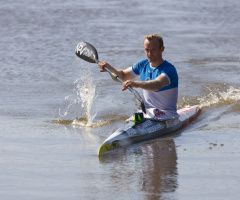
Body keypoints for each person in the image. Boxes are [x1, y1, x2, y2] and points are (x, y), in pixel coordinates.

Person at [98, 34, 179, 120]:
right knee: (129, 122)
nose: (149, 53)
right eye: (147, 50)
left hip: (167, 114)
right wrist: (110, 69)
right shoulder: (143, 64)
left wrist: (136, 84)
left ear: (162, 49)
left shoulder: (169, 69)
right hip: (146, 112)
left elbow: (157, 85)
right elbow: (122, 76)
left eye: (153, 50)